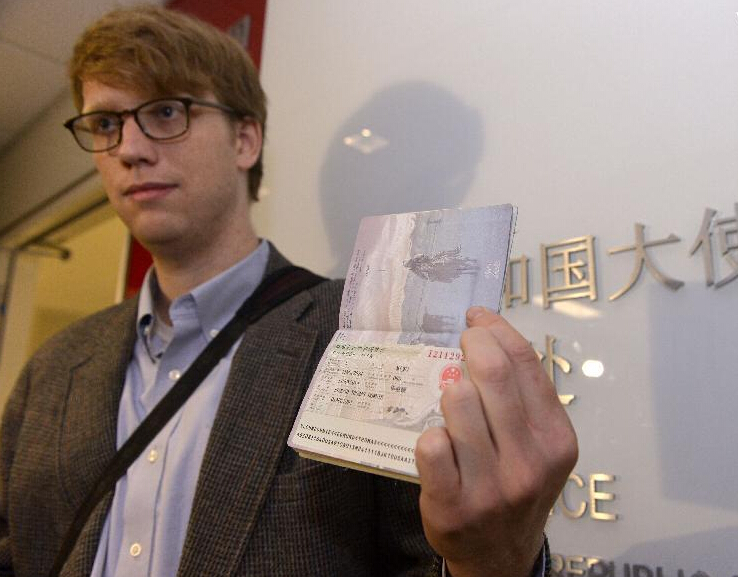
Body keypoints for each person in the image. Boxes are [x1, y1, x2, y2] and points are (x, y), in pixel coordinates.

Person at [0, 6, 577, 577]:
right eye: (105, 124)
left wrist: (497, 562)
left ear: (245, 140)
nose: (129, 148)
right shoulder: (53, 366)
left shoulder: (363, 336)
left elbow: (430, 561)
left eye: (166, 111)